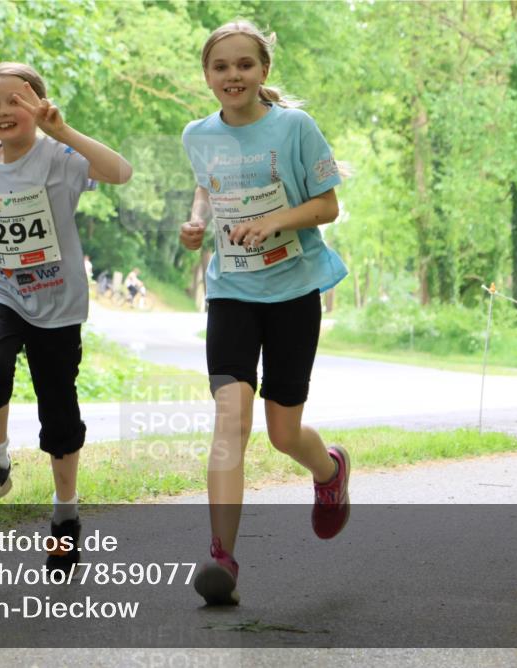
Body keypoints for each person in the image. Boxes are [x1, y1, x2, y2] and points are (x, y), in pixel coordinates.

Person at [0, 62, 132, 571]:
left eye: (14, 101)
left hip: (57, 303)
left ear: (39, 105)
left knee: (58, 409)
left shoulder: (61, 157)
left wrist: (63, 131)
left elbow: (120, 172)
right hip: (3, 286)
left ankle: (65, 518)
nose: (1, 112)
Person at [179, 21, 350, 605]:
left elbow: (328, 205)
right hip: (230, 292)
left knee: (281, 433)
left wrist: (274, 222)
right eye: (220, 67)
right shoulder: (196, 135)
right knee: (231, 424)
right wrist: (198, 222)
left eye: (244, 65)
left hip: (293, 293)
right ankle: (220, 557)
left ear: (263, 72)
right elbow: (208, 187)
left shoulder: (294, 128)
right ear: (207, 76)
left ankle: (328, 471)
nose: (232, 75)